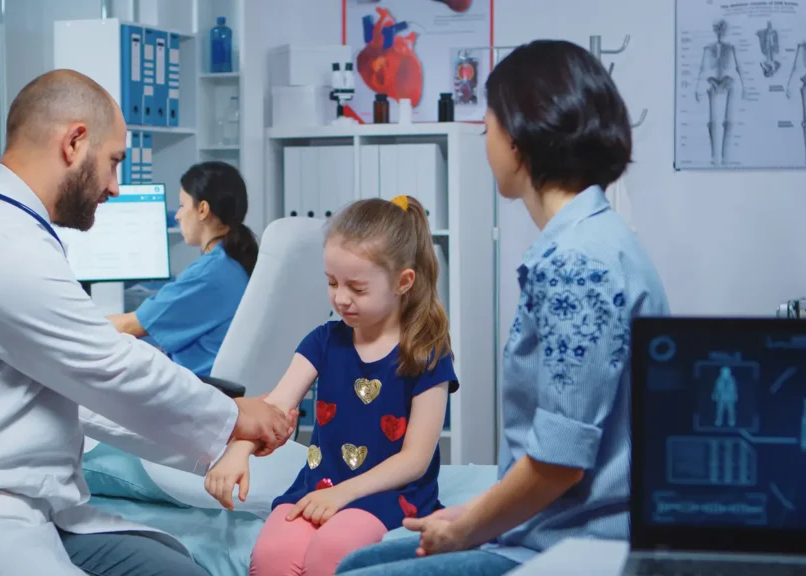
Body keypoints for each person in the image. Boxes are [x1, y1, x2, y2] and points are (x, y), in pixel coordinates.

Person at [0, 69, 295, 576]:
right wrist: (232, 417)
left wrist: (221, 431)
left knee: (175, 566)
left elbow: (85, 388)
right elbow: (108, 365)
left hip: (17, 506)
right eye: (114, 162)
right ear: (75, 142)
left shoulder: (14, 232)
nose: (115, 187)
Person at [335, 39, 670, 575]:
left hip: (574, 542)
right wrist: (472, 513)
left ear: (520, 139)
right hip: (542, 526)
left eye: (487, 125)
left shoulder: (578, 263)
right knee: (360, 561)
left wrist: (466, 526)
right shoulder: (588, 240)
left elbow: (559, 462)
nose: (484, 140)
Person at [204, 195, 458, 576]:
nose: (341, 298)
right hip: (319, 485)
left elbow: (415, 459)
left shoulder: (426, 354)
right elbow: (273, 407)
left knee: (333, 550)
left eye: (357, 288)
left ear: (403, 282)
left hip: (389, 494)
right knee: (271, 556)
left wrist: (344, 493)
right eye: (332, 282)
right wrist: (238, 450)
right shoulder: (324, 341)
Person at [108, 161, 257, 376]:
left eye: (182, 205)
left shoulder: (208, 274)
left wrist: (70, 320)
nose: (177, 215)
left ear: (203, 209)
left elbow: (129, 327)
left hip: (202, 396)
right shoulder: (231, 262)